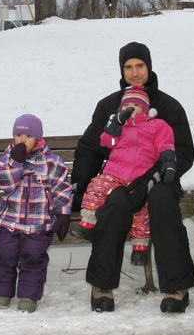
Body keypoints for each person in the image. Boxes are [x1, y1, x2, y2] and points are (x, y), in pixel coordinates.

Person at [73, 42, 194, 314]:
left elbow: (184, 152)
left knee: (162, 203)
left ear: (149, 67)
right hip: (120, 178)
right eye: (128, 67)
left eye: (140, 66)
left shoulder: (168, 106)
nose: (135, 72)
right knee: (114, 206)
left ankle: (177, 287)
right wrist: (80, 188)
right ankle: (102, 285)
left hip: (160, 179)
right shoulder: (110, 106)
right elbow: (90, 148)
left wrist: (152, 178)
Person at [73, 87, 176, 267]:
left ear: (145, 108)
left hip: (140, 176)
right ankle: (88, 222)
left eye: (135, 105)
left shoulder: (158, 125)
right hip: (115, 173)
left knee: (141, 211)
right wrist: (115, 125)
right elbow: (107, 142)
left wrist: (169, 163)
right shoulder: (118, 124)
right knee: (96, 186)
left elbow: (165, 146)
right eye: (126, 105)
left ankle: (140, 247)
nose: (130, 108)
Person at [0, 114, 72, 313]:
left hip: (39, 223)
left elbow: (62, 189)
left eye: (28, 136)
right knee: (3, 255)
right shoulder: (6, 159)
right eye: (18, 135)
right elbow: (1, 183)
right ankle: (2, 292)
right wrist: (15, 163)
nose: (22, 140)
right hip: (9, 220)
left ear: (38, 138)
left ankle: (28, 295)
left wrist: (63, 213)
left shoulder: (52, 162)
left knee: (34, 258)